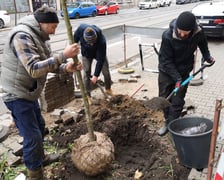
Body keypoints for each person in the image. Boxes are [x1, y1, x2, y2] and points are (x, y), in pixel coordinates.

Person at [0, 6, 82, 179]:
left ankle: (40, 158)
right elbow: (34, 69)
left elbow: (48, 63)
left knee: (40, 127)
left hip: (29, 93)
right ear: (42, 23)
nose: (53, 32)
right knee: (32, 137)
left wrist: (66, 67)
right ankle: (35, 174)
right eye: (52, 27)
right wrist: (64, 55)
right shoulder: (22, 36)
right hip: (16, 94)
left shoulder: (41, 37)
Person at [157, 11, 215, 136]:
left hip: (184, 70)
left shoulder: (198, 32)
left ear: (192, 30)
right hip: (166, 71)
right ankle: (167, 121)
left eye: (186, 32)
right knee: (164, 97)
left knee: (178, 100)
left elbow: (203, 44)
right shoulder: (167, 36)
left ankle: (172, 125)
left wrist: (207, 56)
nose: (182, 34)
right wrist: (176, 78)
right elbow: (166, 61)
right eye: (180, 31)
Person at [73, 23, 114, 104]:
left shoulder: (101, 40)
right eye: (89, 43)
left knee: (106, 71)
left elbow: (100, 60)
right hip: (86, 54)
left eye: (93, 42)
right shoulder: (80, 29)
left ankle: (108, 89)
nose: (91, 44)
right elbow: (74, 42)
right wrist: (75, 55)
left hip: (98, 53)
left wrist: (95, 75)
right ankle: (87, 95)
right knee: (86, 73)